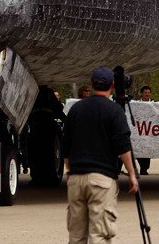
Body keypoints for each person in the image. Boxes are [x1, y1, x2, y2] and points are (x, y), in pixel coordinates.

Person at [63, 67, 138, 243]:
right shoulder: (114, 111)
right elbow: (123, 146)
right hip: (101, 179)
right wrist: (132, 174)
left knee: (76, 236)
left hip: (76, 178)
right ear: (112, 85)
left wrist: (69, 172)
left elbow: (66, 146)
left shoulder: (76, 109)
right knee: (100, 234)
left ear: (92, 84)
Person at [136, 86, 153, 175]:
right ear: (141, 94)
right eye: (145, 92)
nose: (147, 94)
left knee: (146, 151)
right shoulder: (136, 104)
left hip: (150, 131)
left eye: (148, 92)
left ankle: (144, 168)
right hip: (138, 131)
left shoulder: (155, 104)